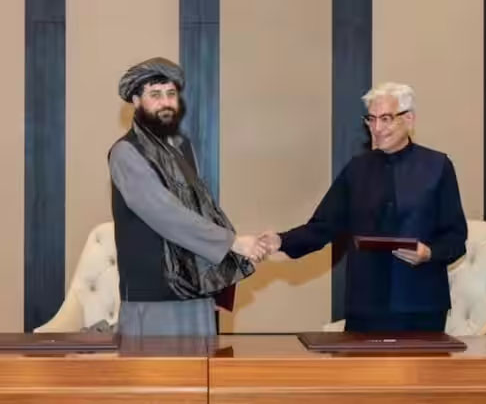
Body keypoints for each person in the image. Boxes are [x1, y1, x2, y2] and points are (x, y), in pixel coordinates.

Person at [261, 82, 468, 332]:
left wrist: (429, 253)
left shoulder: (438, 166)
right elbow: (323, 226)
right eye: (371, 119)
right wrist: (280, 241)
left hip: (421, 304)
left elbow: (456, 238)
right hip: (366, 305)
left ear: (409, 119)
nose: (377, 128)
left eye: (386, 119)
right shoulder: (357, 169)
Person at [109, 57, 268, 336]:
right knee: (155, 366)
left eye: (171, 94)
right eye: (155, 95)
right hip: (153, 297)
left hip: (195, 290)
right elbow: (165, 214)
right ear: (136, 100)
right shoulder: (126, 152)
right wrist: (232, 242)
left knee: (201, 365)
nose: (165, 102)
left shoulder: (182, 149)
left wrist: (221, 274)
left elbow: (202, 211)